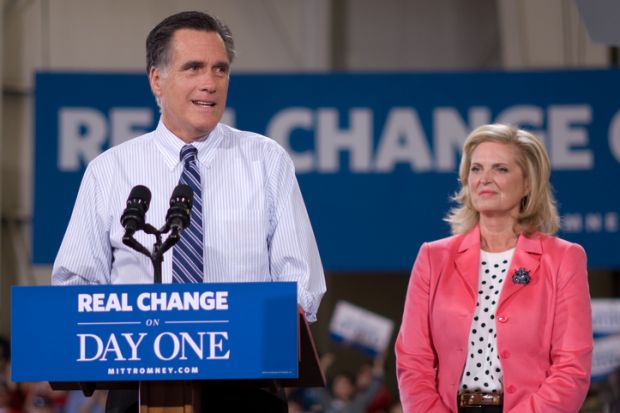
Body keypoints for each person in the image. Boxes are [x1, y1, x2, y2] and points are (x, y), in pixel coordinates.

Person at [52, 10, 326, 413]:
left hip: (248, 386)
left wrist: (254, 330)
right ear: (156, 80)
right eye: (193, 67)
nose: (210, 83)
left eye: (220, 69)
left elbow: (301, 281)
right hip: (138, 388)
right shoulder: (109, 171)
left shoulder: (267, 161)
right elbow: (74, 285)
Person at [395, 124, 592, 412]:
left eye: (500, 169)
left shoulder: (564, 258)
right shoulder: (432, 257)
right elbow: (413, 360)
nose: (484, 179)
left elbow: (571, 368)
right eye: (476, 169)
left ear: (528, 183)